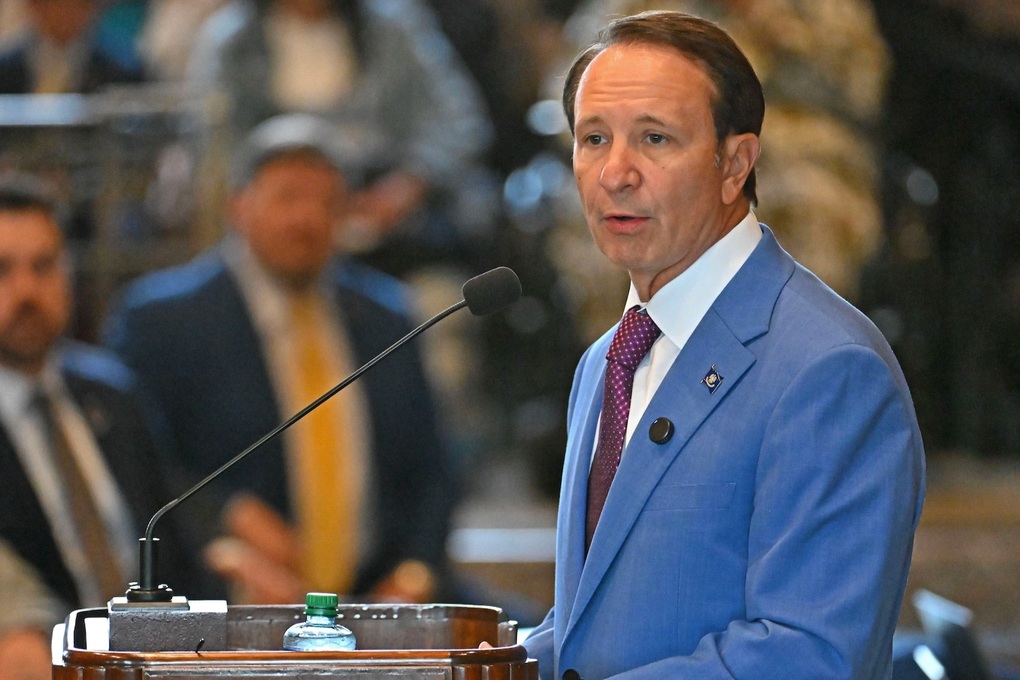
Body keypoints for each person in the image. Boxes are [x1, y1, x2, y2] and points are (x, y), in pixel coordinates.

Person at [521, 11, 925, 679]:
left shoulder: (829, 370)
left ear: (735, 164)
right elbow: (598, 624)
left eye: (654, 138)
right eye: (593, 139)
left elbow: (810, 656)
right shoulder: (606, 359)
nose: (615, 173)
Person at [102, 113, 458, 605]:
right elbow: (131, 463)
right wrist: (223, 522)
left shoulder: (389, 317)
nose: (306, 219)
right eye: (287, 197)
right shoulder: (162, 320)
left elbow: (433, 469)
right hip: (232, 596)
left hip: (380, 598)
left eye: (326, 202)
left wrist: (413, 574)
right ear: (238, 205)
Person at [0, 173, 196, 680]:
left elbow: (173, 542)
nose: (26, 290)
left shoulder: (111, 391)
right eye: (3, 270)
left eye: (44, 266)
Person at [0, 0, 145, 94]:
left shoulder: (122, 69)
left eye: (75, 4)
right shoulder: (6, 68)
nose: (64, 14)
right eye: (55, 4)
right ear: (34, 6)